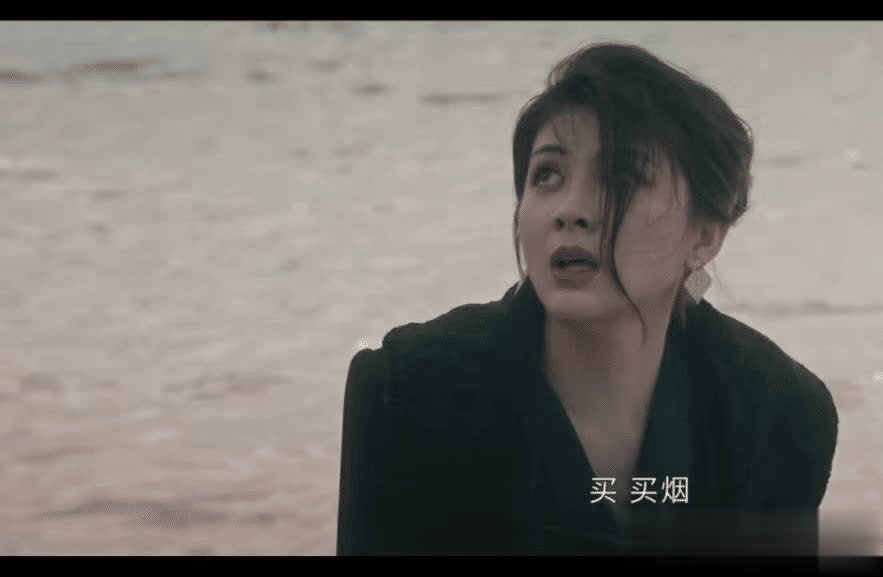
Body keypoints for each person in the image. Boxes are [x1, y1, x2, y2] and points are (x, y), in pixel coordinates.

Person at [336, 42, 839, 556]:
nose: (570, 209)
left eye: (620, 179)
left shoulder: (777, 414)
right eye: (547, 175)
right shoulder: (409, 391)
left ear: (705, 237)